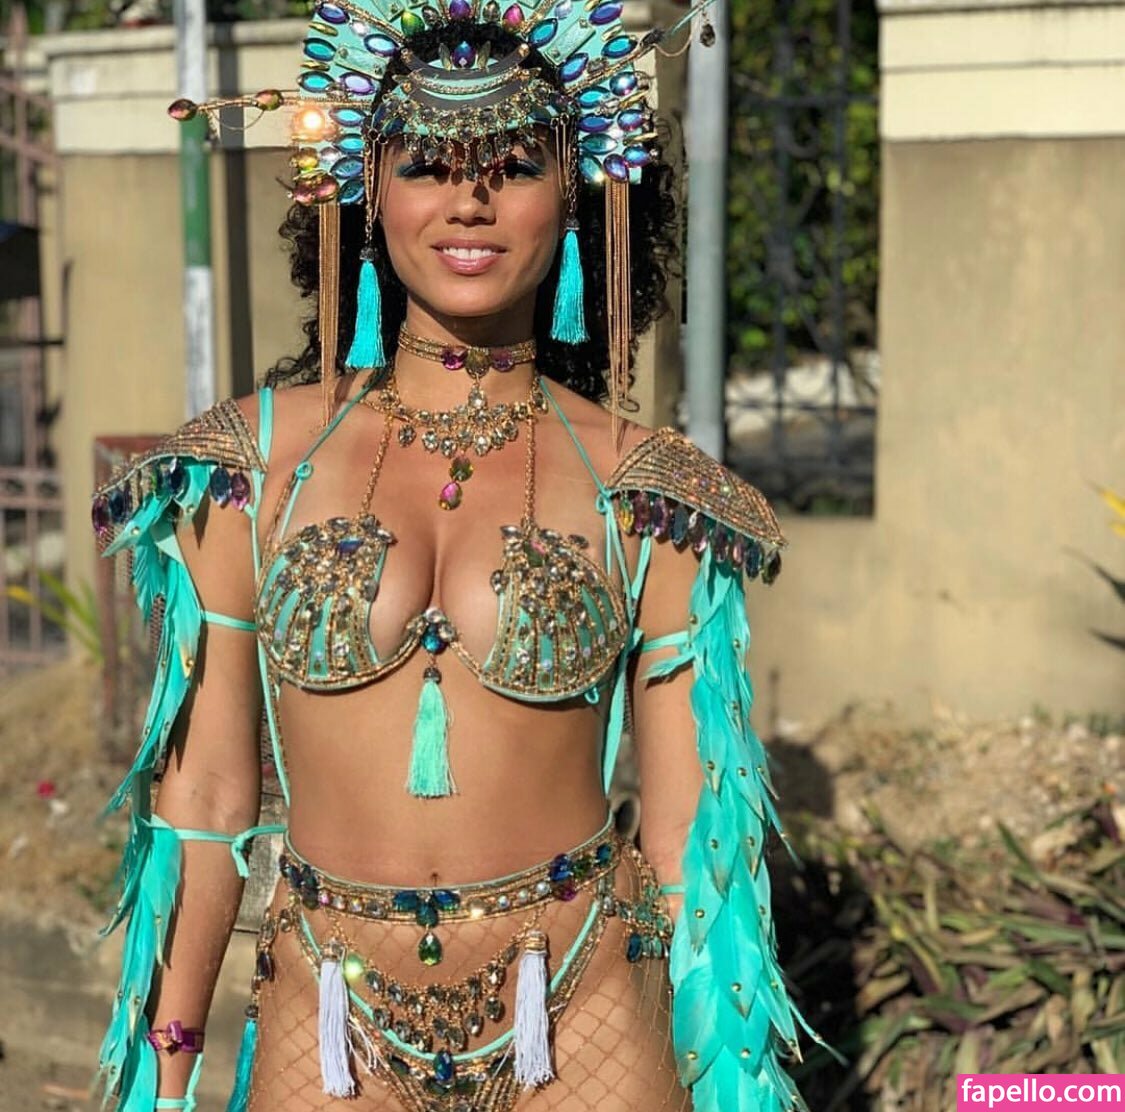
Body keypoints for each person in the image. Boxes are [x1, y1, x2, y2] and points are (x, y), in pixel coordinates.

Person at [89, 2, 809, 1109]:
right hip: (329, 1016)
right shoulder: (244, 471)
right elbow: (206, 799)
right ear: (366, 190)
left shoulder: (651, 495)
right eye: (426, 165)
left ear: (576, 193)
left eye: (513, 166)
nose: (468, 202)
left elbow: (686, 836)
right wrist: (164, 1076)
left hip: (584, 1001)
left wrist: (727, 1086)